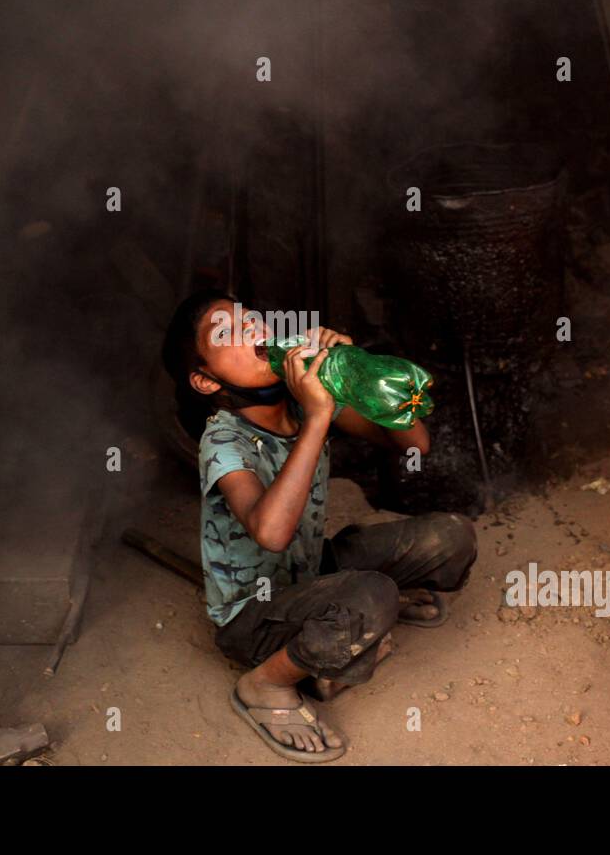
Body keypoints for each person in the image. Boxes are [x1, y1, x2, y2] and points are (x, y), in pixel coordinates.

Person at [161, 289, 478, 762]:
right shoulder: (224, 440)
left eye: (252, 319)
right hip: (254, 618)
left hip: (311, 573)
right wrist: (319, 415)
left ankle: (337, 637)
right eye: (226, 332)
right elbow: (270, 533)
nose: (251, 329)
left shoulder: (302, 400)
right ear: (205, 381)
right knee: (373, 596)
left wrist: (354, 373)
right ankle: (266, 683)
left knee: (450, 536)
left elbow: (416, 443)